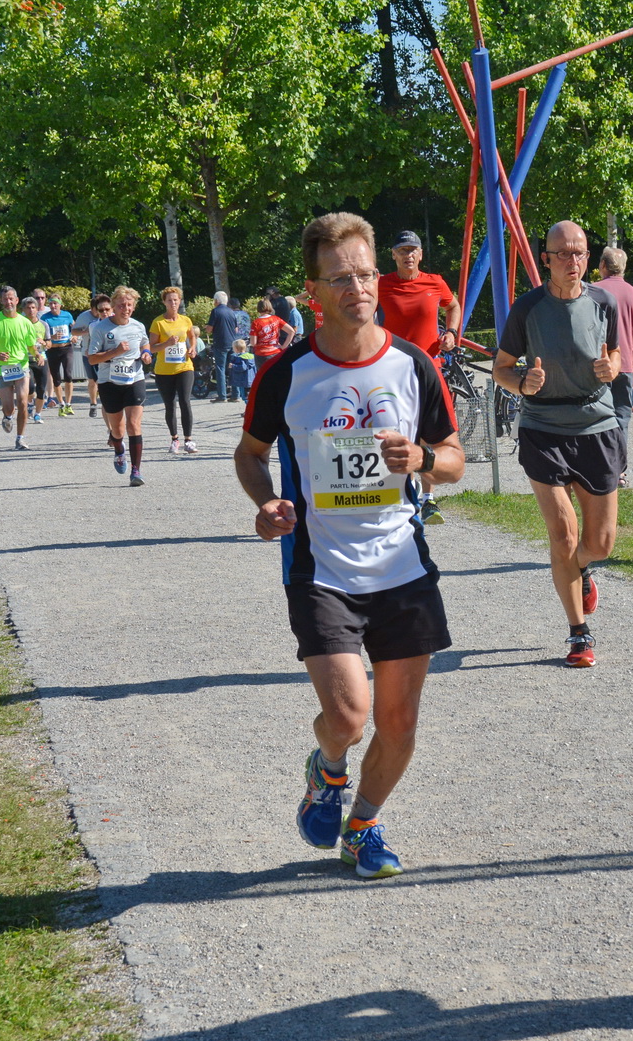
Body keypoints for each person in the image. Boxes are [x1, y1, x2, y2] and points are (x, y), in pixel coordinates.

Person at [233, 211, 464, 879]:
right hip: (322, 568)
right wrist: (266, 501)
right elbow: (249, 455)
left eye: (365, 274)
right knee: (348, 713)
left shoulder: (412, 365)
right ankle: (325, 768)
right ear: (314, 291)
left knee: (399, 725)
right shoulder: (286, 373)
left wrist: (421, 456)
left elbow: (454, 459)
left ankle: (363, 824)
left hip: (403, 567)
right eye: (341, 278)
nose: (358, 288)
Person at [492, 220, 623, 668]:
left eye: (580, 252)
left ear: (590, 257)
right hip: (543, 428)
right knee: (564, 534)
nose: (573, 261)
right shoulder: (527, 308)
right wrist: (523, 383)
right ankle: (578, 634)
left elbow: (617, 353)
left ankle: (582, 569)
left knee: (600, 543)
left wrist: (612, 368)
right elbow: (501, 368)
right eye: (563, 253)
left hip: (597, 426)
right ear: (545, 258)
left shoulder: (604, 301)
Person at [377, 229, 462, 524]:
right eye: (402, 250)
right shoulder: (381, 285)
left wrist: (451, 332)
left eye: (413, 250)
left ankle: (428, 498)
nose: (408, 255)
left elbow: (453, 305)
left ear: (421, 254)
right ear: (393, 255)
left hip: (429, 369)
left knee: (430, 433)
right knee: (394, 428)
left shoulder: (434, 282)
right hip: (392, 370)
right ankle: (399, 491)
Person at [85, 286, 154, 486]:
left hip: (135, 378)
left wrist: (146, 353)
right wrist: (115, 352)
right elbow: (91, 359)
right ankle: (118, 449)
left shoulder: (138, 326)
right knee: (118, 429)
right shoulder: (100, 329)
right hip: (109, 382)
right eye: (122, 305)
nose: (126, 308)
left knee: (134, 425)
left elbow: (145, 343)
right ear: (114, 306)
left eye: (129, 305)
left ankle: (136, 471)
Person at [593, 247, 633, 485]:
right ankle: (620, 471)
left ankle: (598, 467)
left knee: (595, 418)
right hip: (623, 366)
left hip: (597, 366)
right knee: (621, 418)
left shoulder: (593, 291)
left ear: (603, 266)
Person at [0, 286, 42, 450]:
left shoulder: (25, 322)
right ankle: (7, 417)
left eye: (11, 298)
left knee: (22, 402)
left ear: (16, 300)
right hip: (1, 369)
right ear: (1, 301)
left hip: (21, 367)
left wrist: (37, 354)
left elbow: (31, 345)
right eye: (5, 299)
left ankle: (20, 438)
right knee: (9, 407)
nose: (8, 302)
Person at [150, 285, 199, 454]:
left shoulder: (186, 320)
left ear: (179, 301)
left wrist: (192, 348)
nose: (173, 303)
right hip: (164, 371)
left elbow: (192, 336)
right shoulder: (158, 322)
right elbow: (151, 348)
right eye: (170, 300)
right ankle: (174, 439)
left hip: (184, 367)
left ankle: (189, 440)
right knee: (170, 405)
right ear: (164, 302)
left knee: (185, 401)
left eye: (176, 300)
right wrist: (166, 344)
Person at [74, 294, 111, 418]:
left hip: (108, 357)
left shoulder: (114, 321)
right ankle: (93, 403)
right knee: (93, 380)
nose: (103, 312)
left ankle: (107, 404)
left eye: (106, 309)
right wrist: (89, 348)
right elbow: (75, 332)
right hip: (89, 354)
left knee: (105, 382)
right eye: (100, 310)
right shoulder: (88, 320)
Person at [43, 294, 79, 415]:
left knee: (68, 375)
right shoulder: (45, 318)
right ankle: (61, 404)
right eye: (51, 304)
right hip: (52, 350)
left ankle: (68, 403)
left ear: (60, 304)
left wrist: (74, 336)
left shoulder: (67, 315)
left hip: (66, 348)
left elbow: (75, 328)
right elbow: (41, 336)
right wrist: (50, 338)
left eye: (55, 303)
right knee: (56, 378)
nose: (53, 306)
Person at [19, 296, 51, 426]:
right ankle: (30, 403)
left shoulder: (43, 324)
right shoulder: (20, 323)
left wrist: (44, 342)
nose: (31, 310)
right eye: (28, 308)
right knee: (30, 387)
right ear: (23, 310)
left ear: (37, 309)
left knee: (42, 388)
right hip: (25, 359)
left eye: (33, 307)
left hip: (41, 359)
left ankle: (38, 414)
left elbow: (49, 344)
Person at [207, 290, 239, 401]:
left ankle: (222, 395)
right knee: (233, 368)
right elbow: (236, 329)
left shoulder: (215, 311)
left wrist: (207, 328)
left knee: (220, 369)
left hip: (220, 343)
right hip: (232, 343)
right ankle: (236, 395)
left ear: (216, 301)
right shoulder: (231, 312)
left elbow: (210, 329)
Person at [250, 297, 293, 370]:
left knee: (263, 377)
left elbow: (253, 343)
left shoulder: (256, 323)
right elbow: (291, 331)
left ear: (259, 308)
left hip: (261, 354)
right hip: (275, 352)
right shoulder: (276, 319)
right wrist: (284, 346)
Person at [225, 338, 255, 403]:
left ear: (236, 349)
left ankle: (248, 411)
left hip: (243, 381)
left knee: (245, 397)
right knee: (250, 395)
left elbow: (243, 367)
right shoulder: (251, 356)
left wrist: (233, 366)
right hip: (251, 380)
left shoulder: (240, 358)